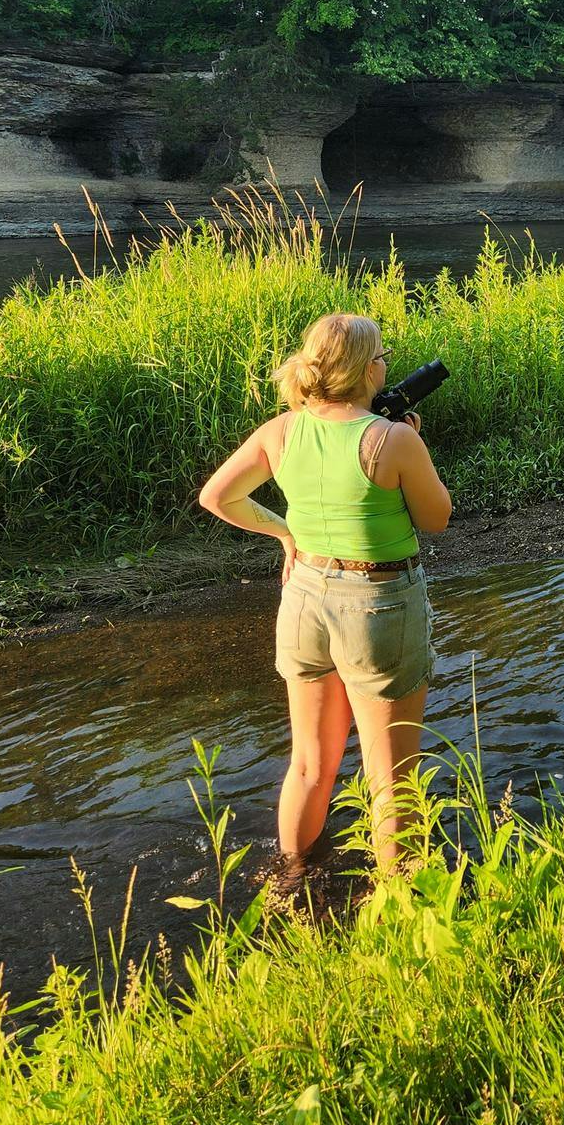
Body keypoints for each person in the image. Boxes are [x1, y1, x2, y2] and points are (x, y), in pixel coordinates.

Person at [198, 312, 452, 874]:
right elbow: (437, 519)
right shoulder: (392, 439)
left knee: (310, 766)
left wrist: (285, 533)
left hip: (304, 597)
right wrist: (413, 445)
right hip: (378, 604)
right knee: (392, 780)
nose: (387, 363)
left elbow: (217, 496)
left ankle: (292, 880)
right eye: (381, 355)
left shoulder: (281, 430)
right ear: (366, 370)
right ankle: (400, 907)